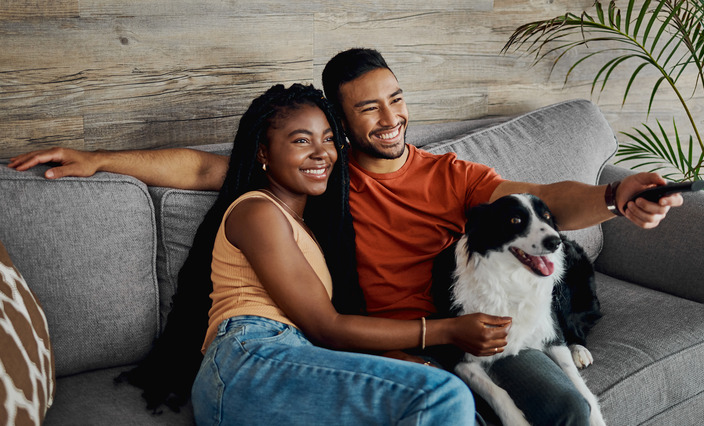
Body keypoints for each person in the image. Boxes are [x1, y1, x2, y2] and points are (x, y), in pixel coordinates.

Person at [9, 49, 684, 424]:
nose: (390, 119)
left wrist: (612, 197)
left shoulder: (450, 175)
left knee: (566, 407)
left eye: (395, 99)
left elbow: (541, 200)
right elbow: (204, 167)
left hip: (459, 333)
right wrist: (99, 159)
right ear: (343, 121)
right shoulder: (318, 182)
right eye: (367, 109)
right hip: (387, 345)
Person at [174, 83, 511, 425]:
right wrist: (448, 331)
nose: (323, 153)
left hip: (296, 358)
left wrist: (390, 357)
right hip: (251, 360)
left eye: (329, 138)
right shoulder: (258, 212)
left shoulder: (305, 226)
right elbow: (326, 326)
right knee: (442, 393)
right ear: (263, 152)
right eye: (302, 140)